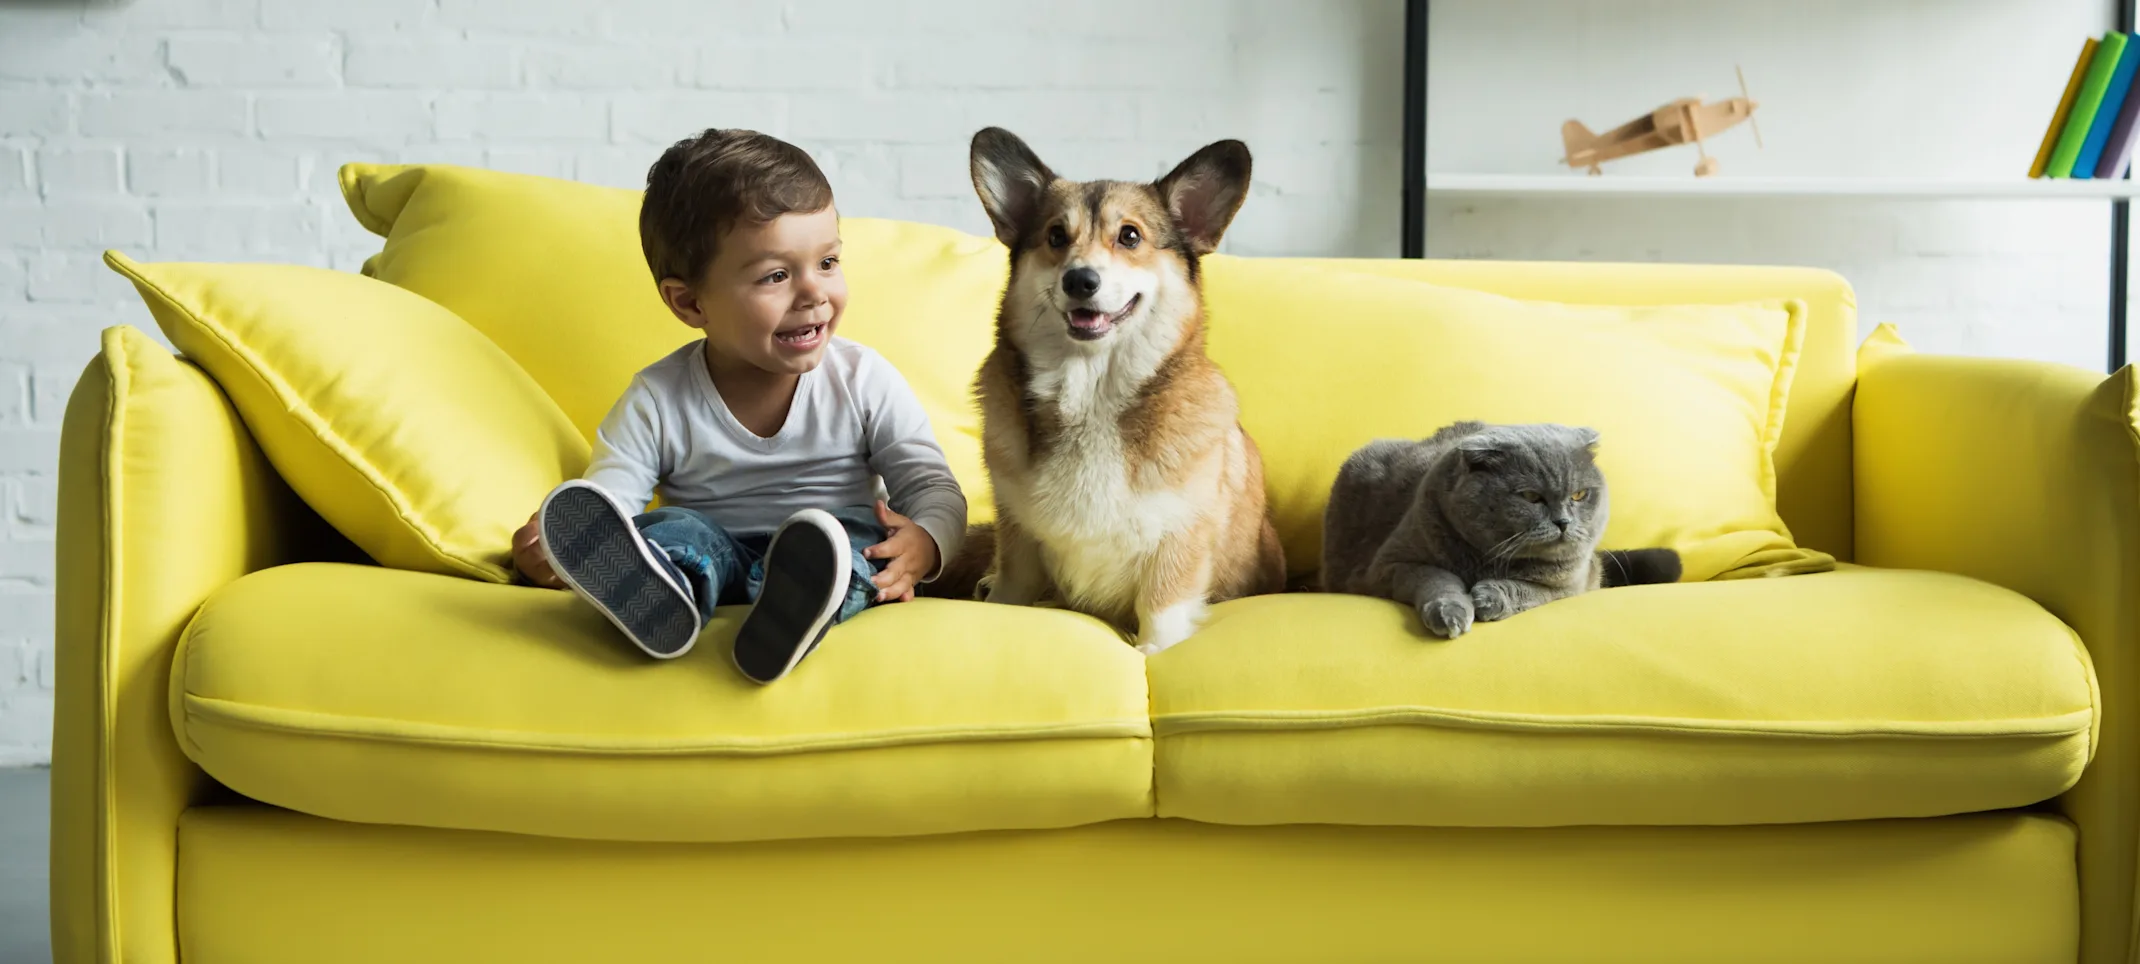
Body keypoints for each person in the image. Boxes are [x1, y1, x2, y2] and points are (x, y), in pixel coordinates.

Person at [512, 128, 965, 684]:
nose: (814, 293)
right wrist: (561, 549)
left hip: (826, 546)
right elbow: (615, 503)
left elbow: (931, 487)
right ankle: (666, 599)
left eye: (827, 262)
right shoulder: (659, 397)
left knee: (856, 542)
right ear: (690, 302)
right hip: (715, 553)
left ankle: (794, 612)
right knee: (672, 532)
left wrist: (927, 543)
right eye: (776, 275)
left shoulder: (862, 378)